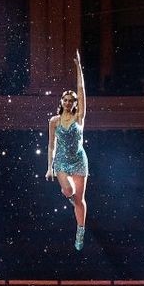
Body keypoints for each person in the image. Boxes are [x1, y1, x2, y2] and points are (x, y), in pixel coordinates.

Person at [45, 52, 91, 250]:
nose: (68, 102)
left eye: (71, 100)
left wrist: (78, 67)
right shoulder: (54, 121)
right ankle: (69, 196)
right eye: (65, 100)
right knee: (69, 190)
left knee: (80, 200)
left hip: (79, 160)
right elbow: (51, 145)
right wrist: (49, 168)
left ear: (75, 103)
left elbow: (81, 90)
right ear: (61, 102)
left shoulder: (79, 117)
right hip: (62, 161)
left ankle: (80, 230)